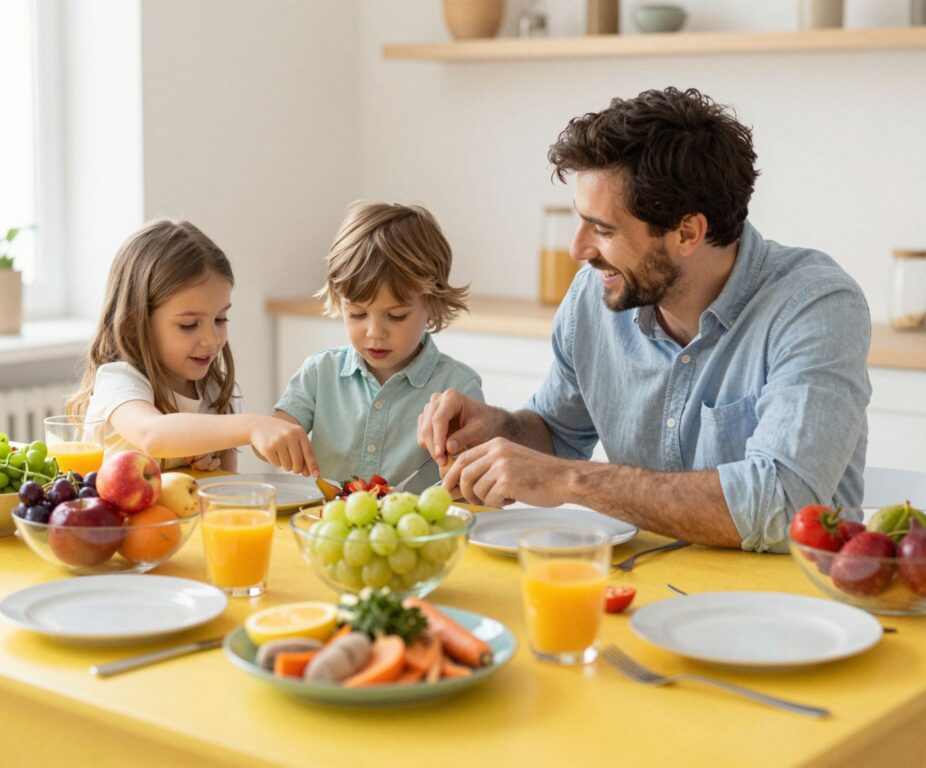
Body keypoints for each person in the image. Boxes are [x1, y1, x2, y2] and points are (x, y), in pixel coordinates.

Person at [417, 87, 872, 552]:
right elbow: (557, 431)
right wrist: (499, 432)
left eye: (603, 229)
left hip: (788, 605)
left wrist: (573, 481)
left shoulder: (815, 306)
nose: (578, 250)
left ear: (687, 232)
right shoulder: (594, 296)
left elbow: (783, 506)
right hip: (643, 586)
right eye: (581, 221)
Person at [68, 219, 318, 474]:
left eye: (220, 319)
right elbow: (151, 434)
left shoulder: (217, 394)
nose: (211, 339)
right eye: (188, 324)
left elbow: (227, 488)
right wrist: (251, 426)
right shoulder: (119, 381)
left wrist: (206, 471)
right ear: (136, 323)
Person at [274, 201, 483, 493]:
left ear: (433, 305)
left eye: (396, 316)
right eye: (357, 314)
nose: (374, 333)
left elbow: (477, 485)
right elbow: (274, 436)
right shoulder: (320, 372)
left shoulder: (459, 387)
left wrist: (462, 474)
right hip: (328, 532)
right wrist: (269, 435)